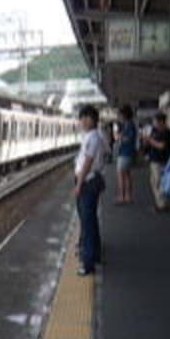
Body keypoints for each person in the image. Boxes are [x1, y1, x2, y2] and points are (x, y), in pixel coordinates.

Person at [74, 105, 106, 276]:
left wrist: (79, 184)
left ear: (93, 119)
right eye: (82, 118)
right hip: (90, 181)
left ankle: (88, 264)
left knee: (87, 223)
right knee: (90, 221)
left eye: (87, 117)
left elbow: (87, 162)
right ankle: (95, 255)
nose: (83, 121)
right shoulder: (91, 136)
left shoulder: (93, 138)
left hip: (88, 182)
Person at [143, 112, 170, 211]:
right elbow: (151, 144)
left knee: (158, 182)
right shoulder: (154, 131)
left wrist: (150, 140)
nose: (154, 123)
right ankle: (160, 202)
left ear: (161, 122)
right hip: (154, 159)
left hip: (161, 160)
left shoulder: (166, 132)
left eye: (155, 121)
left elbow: (161, 146)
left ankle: (161, 204)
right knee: (155, 182)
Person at [115, 105, 137, 204]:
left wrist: (119, 137)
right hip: (127, 153)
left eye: (119, 115)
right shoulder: (128, 125)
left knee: (121, 175)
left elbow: (128, 139)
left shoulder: (129, 125)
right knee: (127, 175)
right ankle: (128, 197)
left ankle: (122, 197)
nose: (119, 117)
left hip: (125, 153)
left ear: (124, 115)